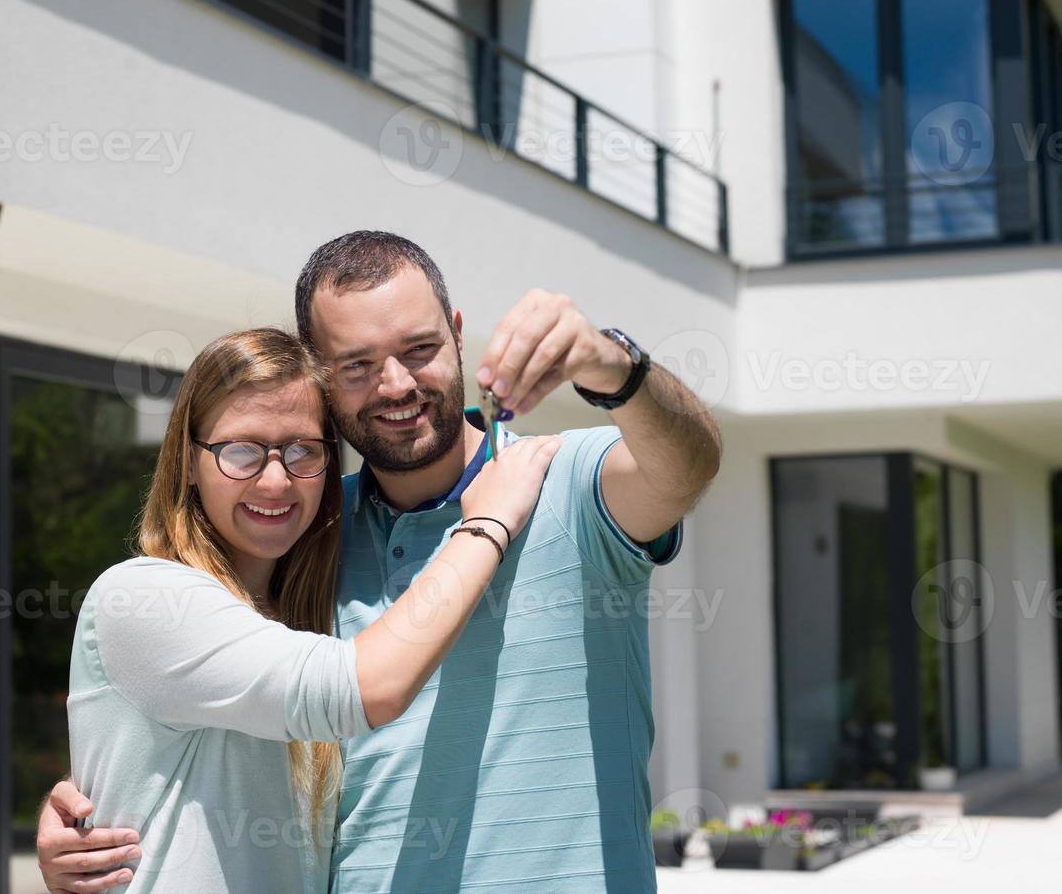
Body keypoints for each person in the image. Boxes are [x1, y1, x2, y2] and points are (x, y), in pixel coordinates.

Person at [40, 232, 722, 893]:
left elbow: (688, 464)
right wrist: (110, 798)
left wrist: (615, 369)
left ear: (457, 334)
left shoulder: (561, 478)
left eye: (419, 349)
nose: (396, 385)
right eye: (357, 365)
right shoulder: (304, 533)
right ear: (319, 375)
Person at [63, 325, 560, 893]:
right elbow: (369, 687)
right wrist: (487, 523)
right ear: (188, 461)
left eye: (302, 450)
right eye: (242, 451)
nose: (275, 480)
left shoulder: (303, 616)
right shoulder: (145, 599)